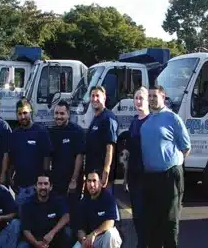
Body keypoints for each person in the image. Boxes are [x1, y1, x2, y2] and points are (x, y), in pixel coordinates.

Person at [140, 85, 190, 248]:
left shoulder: (172, 118)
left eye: (155, 96)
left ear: (163, 97)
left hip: (169, 176)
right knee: (153, 222)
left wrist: (173, 164)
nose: (152, 99)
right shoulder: (147, 120)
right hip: (151, 177)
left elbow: (186, 147)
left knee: (170, 221)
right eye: (150, 96)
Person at [6, 99, 52, 204]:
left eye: (25, 113)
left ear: (31, 112)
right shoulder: (15, 134)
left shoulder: (41, 132)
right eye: (20, 114)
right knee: (20, 213)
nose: (23, 116)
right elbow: (11, 159)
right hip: (20, 187)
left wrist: (43, 182)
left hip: (37, 187)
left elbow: (47, 158)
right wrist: (10, 179)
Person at [125, 87, 150, 248]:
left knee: (145, 214)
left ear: (148, 101)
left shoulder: (151, 121)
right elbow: (128, 152)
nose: (138, 101)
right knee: (136, 214)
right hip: (134, 175)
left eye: (141, 98)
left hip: (148, 176)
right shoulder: (134, 122)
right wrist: (125, 178)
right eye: (136, 98)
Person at [18, 173, 72, 248]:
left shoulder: (58, 200)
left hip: (54, 239)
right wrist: (36, 243)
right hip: (34, 241)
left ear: (51, 187)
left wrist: (52, 233)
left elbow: (66, 216)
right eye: (40, 184)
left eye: (46, 184)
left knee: (67, 232)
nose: (43, 187)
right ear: (35, 186)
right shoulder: (27, 204)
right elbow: (26, 230)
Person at [72, 171, 122, 248]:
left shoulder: (109, 198)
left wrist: (94, 234)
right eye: (89, 181)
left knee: (111, 234)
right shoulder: (83, 202)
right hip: (90, 239)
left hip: (104, 237)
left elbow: (110, 222)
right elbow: (80, 229)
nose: (91, 184)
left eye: (94, 181)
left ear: (100, 183)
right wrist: (83, 240)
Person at [48, 100, 86, 198]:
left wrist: (74, 180)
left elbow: (79, 157)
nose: (58, 116)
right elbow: (48, 157)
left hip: (72, 184)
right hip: (57, 183)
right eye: (56, 113)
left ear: (68, 114)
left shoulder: (77, 131)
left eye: (62, 113)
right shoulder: (52, 132)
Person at [85, 86, 118, 189]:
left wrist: (106, 171)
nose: (94, 99)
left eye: (97, 96)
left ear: (104, 98)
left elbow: (110, 148)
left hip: (101, 175)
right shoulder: (96, 118)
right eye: (92, 96)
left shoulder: (108, 118)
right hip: (93, 173)